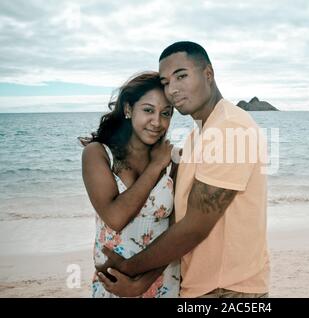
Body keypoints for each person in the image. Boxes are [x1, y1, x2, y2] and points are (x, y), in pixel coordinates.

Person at [97, 41, 270, 298]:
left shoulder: (231, 128)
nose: (173, 89)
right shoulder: (196, 136)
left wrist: (128, 266)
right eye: (166, 82)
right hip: (199, 287)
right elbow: (178, 223)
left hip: (229, 289)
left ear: (208, 74)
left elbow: (195, 226)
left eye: (181, 76)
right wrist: (143, 281)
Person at [80, 72, 180, 298]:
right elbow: (115, 217)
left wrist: (142, 283)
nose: (157, 122)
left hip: (163, 284)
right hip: (114, 285)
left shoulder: (173, 161)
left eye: (166, 113)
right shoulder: (98, 153)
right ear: (128, 109)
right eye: (148, 110)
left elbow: (176, 234)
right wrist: (155, 167)